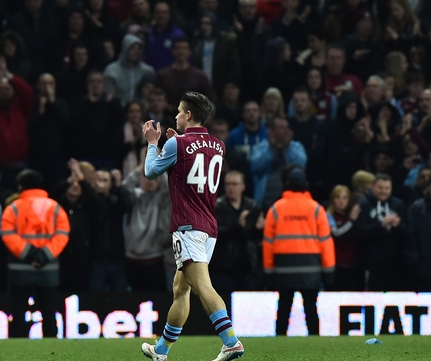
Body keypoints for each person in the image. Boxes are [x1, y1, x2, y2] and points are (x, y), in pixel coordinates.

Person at [141, 92, 244, 361]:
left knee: (202, 287)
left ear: (188, 115)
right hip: (209, 225)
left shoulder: (178, 145)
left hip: (187, 226)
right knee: (181, 288)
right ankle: (161, 350)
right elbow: (192, 163)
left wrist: (154, 143)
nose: (175, 115)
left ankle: (231, 341)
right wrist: (176, 143)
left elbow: (151, 172)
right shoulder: (218, 145)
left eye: (179, 111)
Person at [262, 168, 335, 336]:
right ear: (306, 185)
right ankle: (315, 341)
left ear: (286, 185)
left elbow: (268, 243)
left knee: (284, 307)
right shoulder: (316, 209)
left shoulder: (275, 209)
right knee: (311, 308)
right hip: (311, 268)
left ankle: (279, 341)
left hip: (283, 268)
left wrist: (268, 270)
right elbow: (326, 243)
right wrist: (329, 270)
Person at [1, 170, 70, 338]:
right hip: (48, 268)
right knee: (48, 312)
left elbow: (8, 234)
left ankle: (17, 351)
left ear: (20, 186)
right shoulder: (55, 208)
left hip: (20, 268)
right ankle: (52, 350)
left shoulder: (13, 208)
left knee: (18, 313)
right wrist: (44, 255)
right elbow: (62, 234)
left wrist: (29, 254)